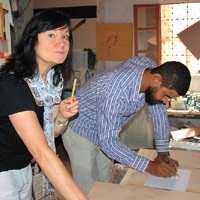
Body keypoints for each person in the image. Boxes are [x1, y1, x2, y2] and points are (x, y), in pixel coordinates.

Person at [62, 56, 191, 194]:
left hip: (104, 128)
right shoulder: (116, 88)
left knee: (105, 179)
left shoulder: (149, 70)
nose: (165, 101)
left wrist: (162, 153)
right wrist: (148, 165)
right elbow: (108, 143)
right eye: (166, 95)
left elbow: (158, 113)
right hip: (81, 128)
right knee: (87, 187)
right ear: (157, 79)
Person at [0, 9, 88, 200]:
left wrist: (63, 117)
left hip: (23, 167)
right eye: (51, 35)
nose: (62, 42)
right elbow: (41, 151)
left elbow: (51, 132)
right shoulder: (13, 84)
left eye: (65, 36)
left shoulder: (52, 82)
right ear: (32, 40)